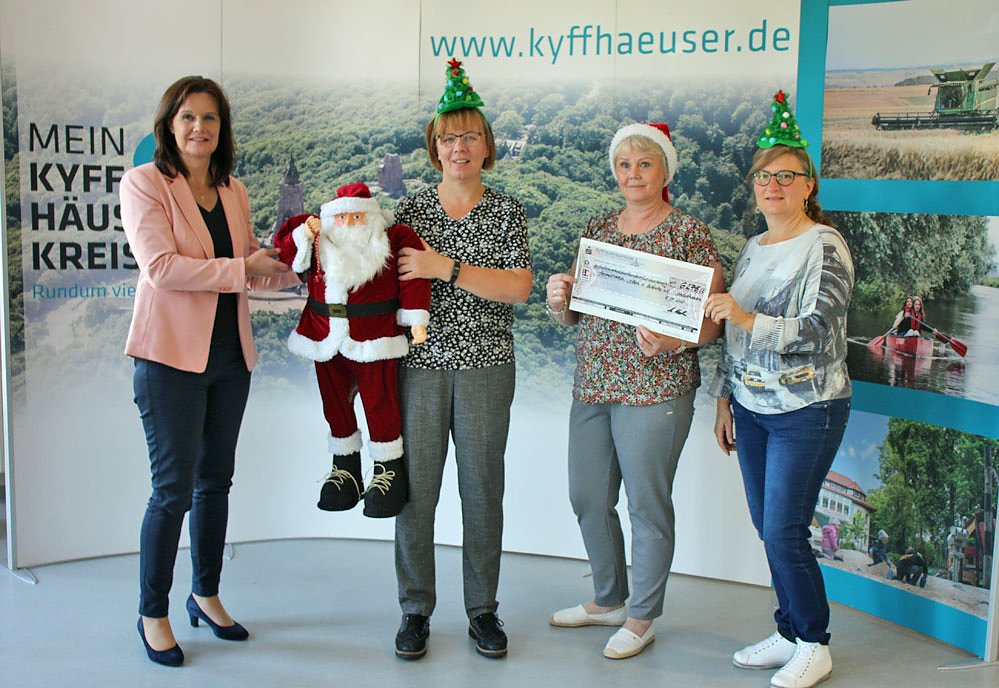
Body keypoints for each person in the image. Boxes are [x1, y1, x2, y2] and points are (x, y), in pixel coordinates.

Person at [120, 76, 297, 667]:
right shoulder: (145, 183)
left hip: (229, 358)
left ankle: (205, 594)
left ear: (223, 129)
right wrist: (241, 267)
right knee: (172, 491)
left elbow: (252, 265)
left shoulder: (233, 189)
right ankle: (152, 613)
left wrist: (306, 264)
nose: (200, 127)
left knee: (215, 482)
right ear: (169, 125)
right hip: (168, 358)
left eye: (211, 118)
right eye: (189, 117)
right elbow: (162, 268)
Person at [545, 122, 725, 660]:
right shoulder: (599, 226)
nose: (633, 174)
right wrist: (559, 299)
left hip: (657, 387)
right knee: (587, 496)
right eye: (624, 164)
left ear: (665, 170)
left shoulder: (689, 232)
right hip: (594, 381)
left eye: (644, 164)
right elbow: (575, 312)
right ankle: (608, 599)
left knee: (646, 504)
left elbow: (714, 320)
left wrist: (675, 339)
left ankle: (642, 616)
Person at [704, 90, 854, 688]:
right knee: (770, 528)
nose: (773, 185)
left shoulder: (825, 245)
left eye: (786, 176)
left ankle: (814, 643)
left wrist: (746, 318)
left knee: (787, 531)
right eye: (764, 177)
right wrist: (724, 397)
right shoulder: (753, 247)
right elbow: (732, 336)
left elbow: (820, 332)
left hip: (807, 409)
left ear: (808, 185)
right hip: (751, 409)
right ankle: (789, 631)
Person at [391, 59, 532, 660]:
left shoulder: (506, 210)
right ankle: (414, 609)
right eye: (448, 138)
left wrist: (443, 267)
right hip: (418, 368)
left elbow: (518, 287)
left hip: (485, 367)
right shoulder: (410, 211)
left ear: (487, 145)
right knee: (415, 494)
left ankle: (482, 610)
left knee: (481, 491)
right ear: (434, 148)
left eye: (470, 136)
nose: (459, 148)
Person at [272, 182, 431, 518]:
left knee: (380, 404)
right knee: (335, 404)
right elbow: (285, 250)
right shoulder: (318, 238)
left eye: (357, 217)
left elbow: (414, 278)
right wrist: (303, 234)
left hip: (375, 339)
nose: (349, 223)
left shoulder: (392, 238)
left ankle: (388, 469)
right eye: (342, 218)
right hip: (324, 336)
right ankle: (345, 468)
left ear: (371, 218)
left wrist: (416, 319)